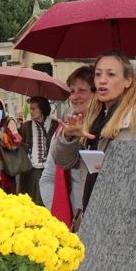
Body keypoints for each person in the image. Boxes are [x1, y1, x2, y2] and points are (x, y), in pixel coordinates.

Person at [53, 51, 136, 229]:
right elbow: (63, 162)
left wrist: (113, 168)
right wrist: (69, 137)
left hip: (125, 221)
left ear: (128, 81)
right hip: (91, 216)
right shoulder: (92, 118)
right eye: (98, 74)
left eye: (111, 74)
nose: (102, 80)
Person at [40, 66, 94, 226]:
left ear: (96, 93)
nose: (75, 97)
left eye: (82, 91)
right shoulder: (63, 132)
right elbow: (48, 178)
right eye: (72, 91)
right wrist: (59, 217)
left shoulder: (107, 127)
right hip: (74, 222)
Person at [17, 97, 59, 205]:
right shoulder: (26, 126)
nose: (31, 111)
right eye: (30, 109)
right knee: (31, 202)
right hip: (30, 172)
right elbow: (16, 144)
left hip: (50, 170)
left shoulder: (56, 125)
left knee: (48, 202)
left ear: (42, 109)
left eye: (33, 109)